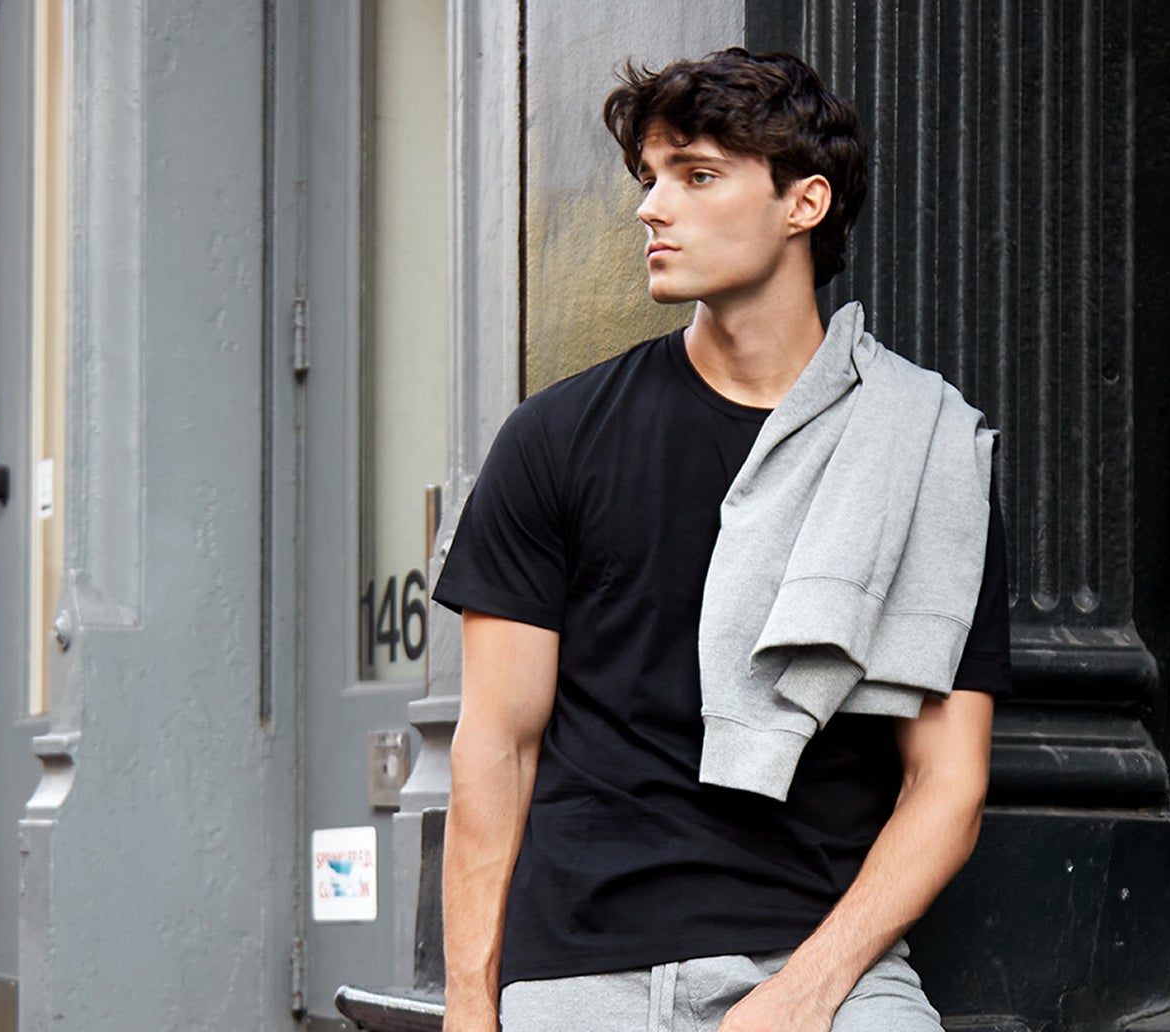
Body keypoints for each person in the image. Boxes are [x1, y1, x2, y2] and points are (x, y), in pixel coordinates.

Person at [431, 46, 1010, 1032]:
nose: (654, 207)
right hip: (584, 969)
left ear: (805, 204)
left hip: (825, 959)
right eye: (650, 178)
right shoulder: (555, 439)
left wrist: (805, 991)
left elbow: (946, 782)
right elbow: (497, 746)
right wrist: (468, 1009)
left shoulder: (925, 453)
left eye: (697, 176)